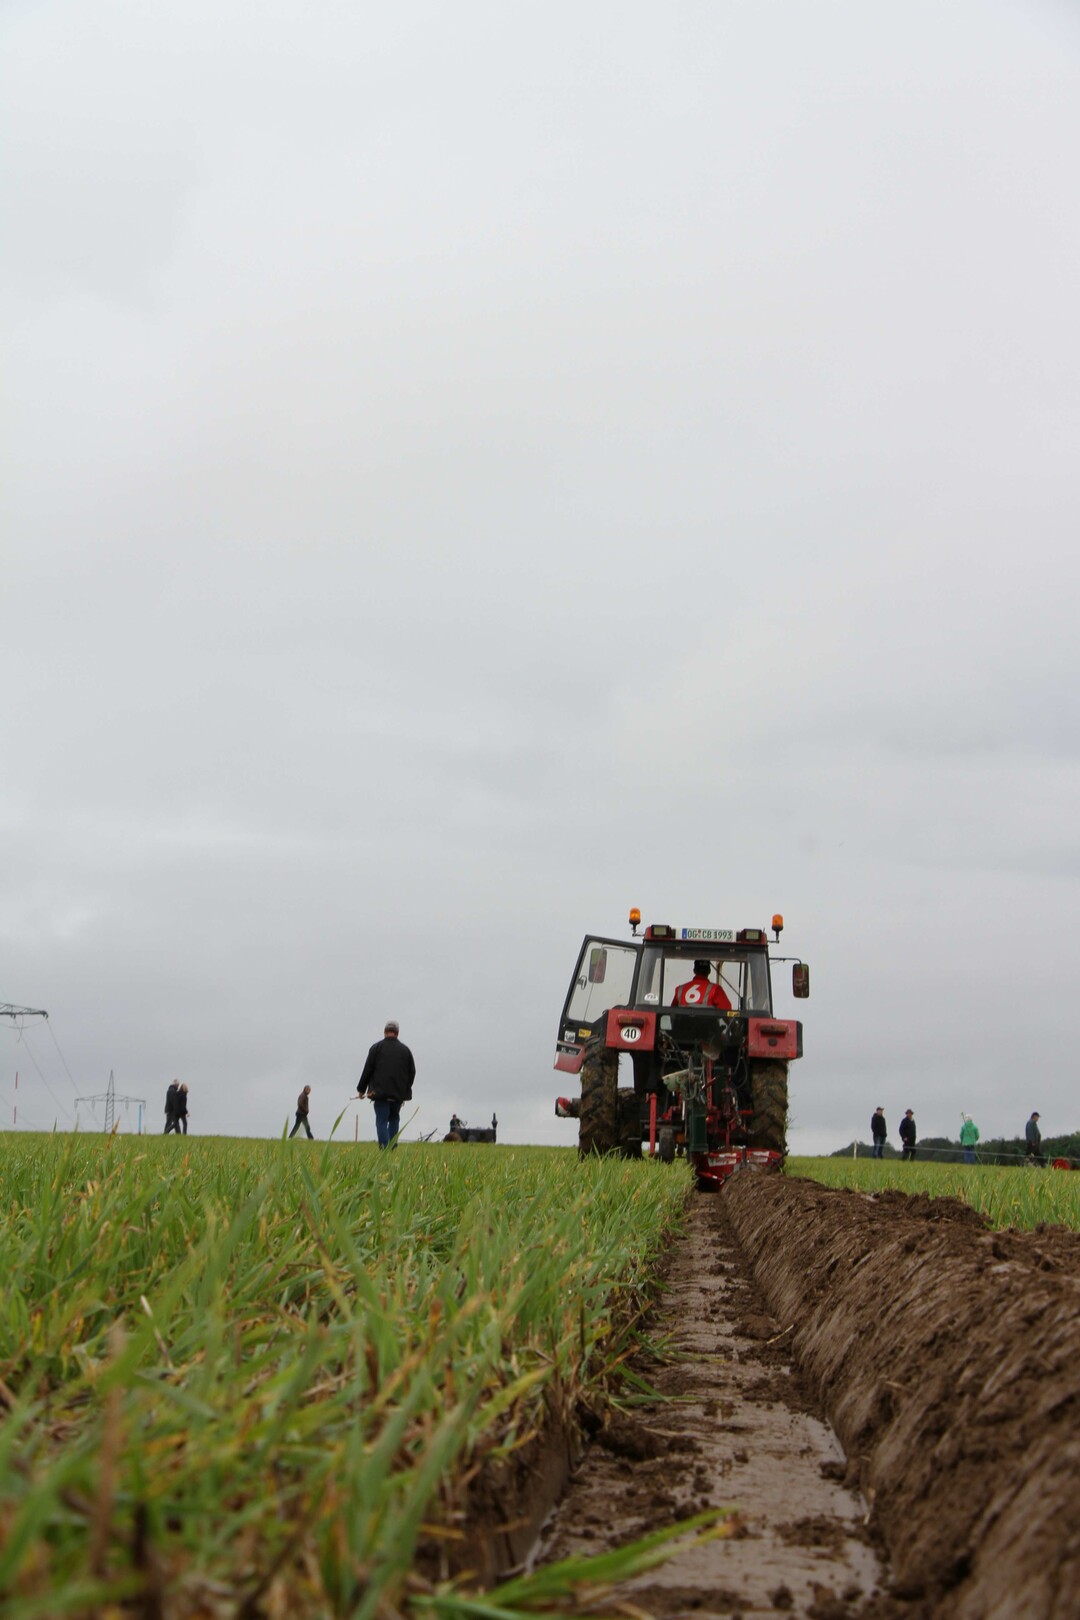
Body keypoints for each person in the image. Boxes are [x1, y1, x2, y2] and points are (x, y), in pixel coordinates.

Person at [358, 1021, 415, 1149]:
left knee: (381, 1121)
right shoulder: (405, 1051)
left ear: (384, 1031)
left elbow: (367, 1070)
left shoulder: (376, 1048)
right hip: (397, 1094)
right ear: (397, 1033)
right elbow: (412, 1072)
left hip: (379, 1093)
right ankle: (392, 1147)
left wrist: (361, 1090)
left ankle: (384, 1148)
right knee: (394, 1119)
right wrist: (405, 1090)